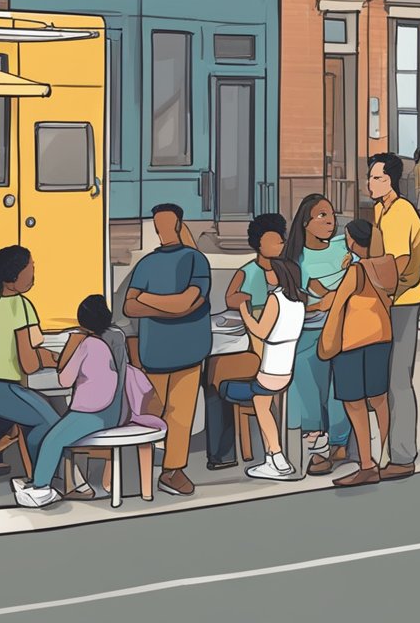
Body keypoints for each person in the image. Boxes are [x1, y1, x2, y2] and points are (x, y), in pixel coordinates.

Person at [123, 203, 211, 497]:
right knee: (152, 411)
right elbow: (129, 306)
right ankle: (148, 469)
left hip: (187, 350)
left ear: (178, 224)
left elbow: (186, 302)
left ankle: (172, 471)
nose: (161, 230)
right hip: (155, 353)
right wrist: (173, 306)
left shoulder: (195, 260)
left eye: (166, 223)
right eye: (157, 224)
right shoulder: (147, 263)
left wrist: (150, 300)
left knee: (180, 415)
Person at [13, 295, 129, 508]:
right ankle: (62, 483)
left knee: (52, 439)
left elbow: (63, 379)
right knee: (59, 431)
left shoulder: (87, 344)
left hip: (91, 414)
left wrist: (72, 346)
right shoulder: (117, 337)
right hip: (114, 411)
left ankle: (40, 488)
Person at [0, 245, 62, 481]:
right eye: (31, 268)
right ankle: (42, 478)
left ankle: (42, 472)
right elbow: (28, 364)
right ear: (14, 275)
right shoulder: (20, 305)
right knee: (51, 422)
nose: (33, 274)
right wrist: (56, 359)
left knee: (39, 409)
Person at [317, 219, 396, 488]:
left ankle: (366, 465)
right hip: (381, 337)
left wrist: (327, 340)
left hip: (353, 342)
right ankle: (387, 456)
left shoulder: (356, 270)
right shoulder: (387, 265)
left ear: (352, 241)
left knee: (354, 403)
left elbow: (337, 305)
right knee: (379, 399)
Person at [204, 213, 286, 470]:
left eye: (280, 241)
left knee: (215, 377)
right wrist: (243, 301)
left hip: (263, 348)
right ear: (258, 243)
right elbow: (231, 298)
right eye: (274, 240)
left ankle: (222, 453)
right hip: (262, 345)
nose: (279, 245)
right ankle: (225, 453)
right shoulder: (248, 271)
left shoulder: (287, 272)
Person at [282, 194, 351, 475]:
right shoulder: (294, 259)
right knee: (307, 384)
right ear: (305, 222)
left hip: (343, 328)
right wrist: (323, 300)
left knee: (339, 388)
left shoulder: (343, 247)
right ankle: (315, 439)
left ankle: (338, 442)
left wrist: (330, 298)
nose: (330, 220)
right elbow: (295, 299)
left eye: (331, 214)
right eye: (322, 215)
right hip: (309, 329)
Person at [369, 152, 420, 481]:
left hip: (402, 302)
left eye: (376, 178)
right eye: (371, 177)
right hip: (387, 301)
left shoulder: (402, 213)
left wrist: (380, 290)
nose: (370, 183)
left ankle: (403, 455)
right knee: (385, 377)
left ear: (390, 180)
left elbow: (400, 265)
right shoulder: (380, 209)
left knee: (398, 379)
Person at [220, 258, 307, 481]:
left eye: (272, 272)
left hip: (270, 369)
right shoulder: (300, 301)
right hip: (286, 368)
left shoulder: (275, 299)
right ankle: (272, 459)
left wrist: (244, 311)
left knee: (255, 403)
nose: (268, 274)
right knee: (263, 406)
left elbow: (260, 330)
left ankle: (277, 457)